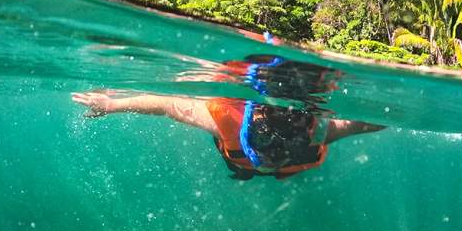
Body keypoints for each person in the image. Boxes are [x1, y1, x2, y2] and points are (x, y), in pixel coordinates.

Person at [72, 55, 384, 180]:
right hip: (240, 156)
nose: (273, 157)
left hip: (240, 156)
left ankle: (245, 171)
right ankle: (245, 171)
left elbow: (167, 104)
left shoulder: (229, 121)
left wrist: (112, 105)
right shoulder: (315, 135)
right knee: (239, 162)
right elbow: (365, 123)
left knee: (240, 163)